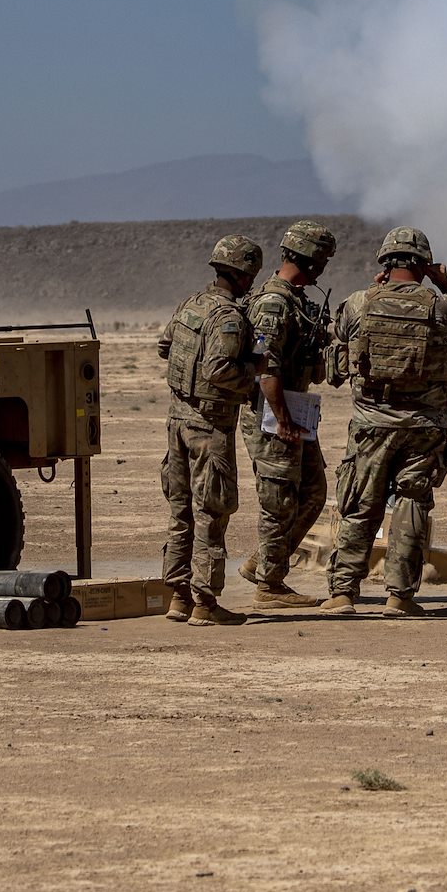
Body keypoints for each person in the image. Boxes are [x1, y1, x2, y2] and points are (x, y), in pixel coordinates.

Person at [322, 227, 447, 617]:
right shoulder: (441, 306)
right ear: (424, 264)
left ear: (384, 262)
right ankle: (400, 596)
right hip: (423, 428)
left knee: (360, 505)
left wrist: (374, 289)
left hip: (370, 426)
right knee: (412, 505)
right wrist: (444, 281)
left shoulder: (359, 302)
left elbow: (341, 332)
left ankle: (343, 593)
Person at [158, 235, 265, 626]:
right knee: (211, 514)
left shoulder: (191, 304)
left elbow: (165, 346)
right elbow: (218, 370)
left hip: (177, 422)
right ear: (241, 274)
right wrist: (254, 374)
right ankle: (205, 602)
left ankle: (178, 597)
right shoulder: (229, 317)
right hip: (209, 428)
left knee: (180, 512)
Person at [235, 220, 337, 609]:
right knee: (278, 501)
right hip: (272, 415)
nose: (324, 267)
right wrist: (281, 418)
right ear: (311, 259)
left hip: (292, 410)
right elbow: (267, 368)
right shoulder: (274, 302)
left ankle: (264, 563)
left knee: (313, 491)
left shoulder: (296, 300)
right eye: (323, 259)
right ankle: (270, 586)